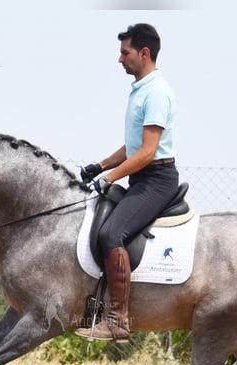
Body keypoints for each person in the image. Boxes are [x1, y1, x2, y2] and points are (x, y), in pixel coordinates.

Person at [76, 23, 179, 343]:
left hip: (157, 179)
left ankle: (118, 319)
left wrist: (110, 178)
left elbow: (148, 152)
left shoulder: (158, 93)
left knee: (111, 233)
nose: (119, 59)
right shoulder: (140, 91)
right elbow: (133, 147)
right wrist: (101, 165)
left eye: (125, 52)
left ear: (144, 53)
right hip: (141, 175)